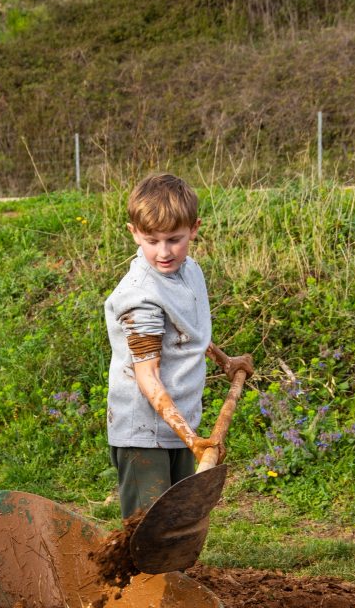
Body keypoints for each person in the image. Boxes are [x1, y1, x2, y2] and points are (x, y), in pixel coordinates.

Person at [104, 172, 254, 519]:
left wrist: (224, 360)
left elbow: (185, 333)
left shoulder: (189, 272)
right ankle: (143, 576)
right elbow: (147, 376)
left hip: (180, 422)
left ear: (195, 228)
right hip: (143, 432)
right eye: (151, 241)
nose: (164, 252)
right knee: (150, 525)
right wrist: (192, 438)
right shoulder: (141, 296)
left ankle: (172, 574)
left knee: (178, 520)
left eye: (175, 239)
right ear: (134, 233)